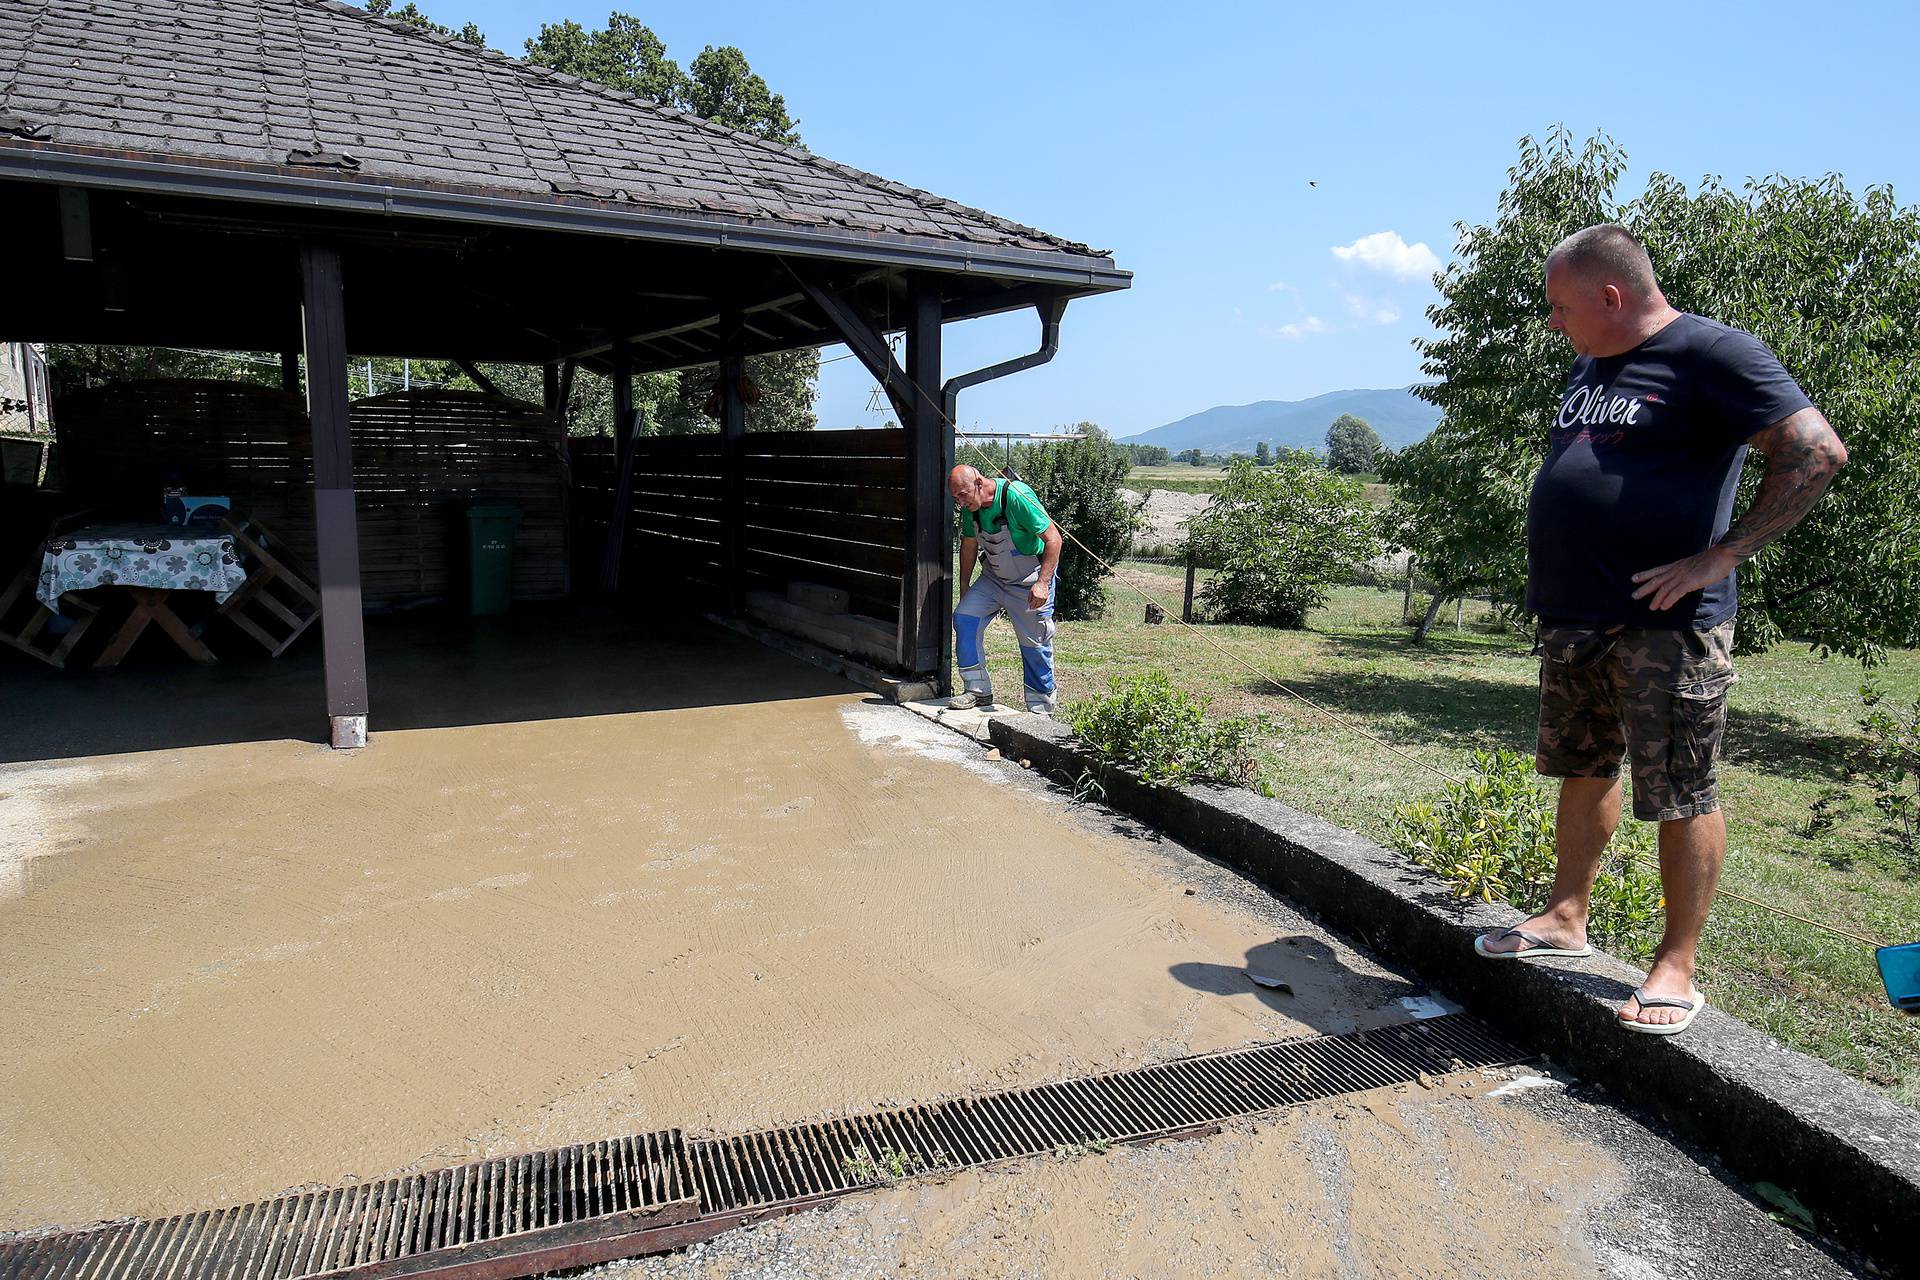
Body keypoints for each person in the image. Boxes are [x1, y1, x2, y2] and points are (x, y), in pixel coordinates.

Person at [1475, 224, 1848, 1035]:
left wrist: (1721, 557)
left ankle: (1676, 967)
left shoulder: (1715, 354)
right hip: (1581, 612)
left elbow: (1816, 452)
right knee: (1583, 766)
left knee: (1681, 789)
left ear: (1612, 296)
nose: (1553, 322)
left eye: (1560, 306)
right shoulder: (1593, 362)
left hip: (1667, 625)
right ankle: (1565, 918)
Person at [947, 463, 1064, 714]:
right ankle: (977, 691)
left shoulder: (1017, 497)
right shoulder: (971, 509)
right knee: (965, 618)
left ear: (979, 482)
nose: (960, 503)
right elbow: (969, 546)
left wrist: (1043, 584)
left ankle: (1041, 712)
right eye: (955, 498)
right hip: (993, 578)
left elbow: (1054, 539)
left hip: (1029, 580)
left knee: (1035, 643)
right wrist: (965, 587)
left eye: (963, 495)